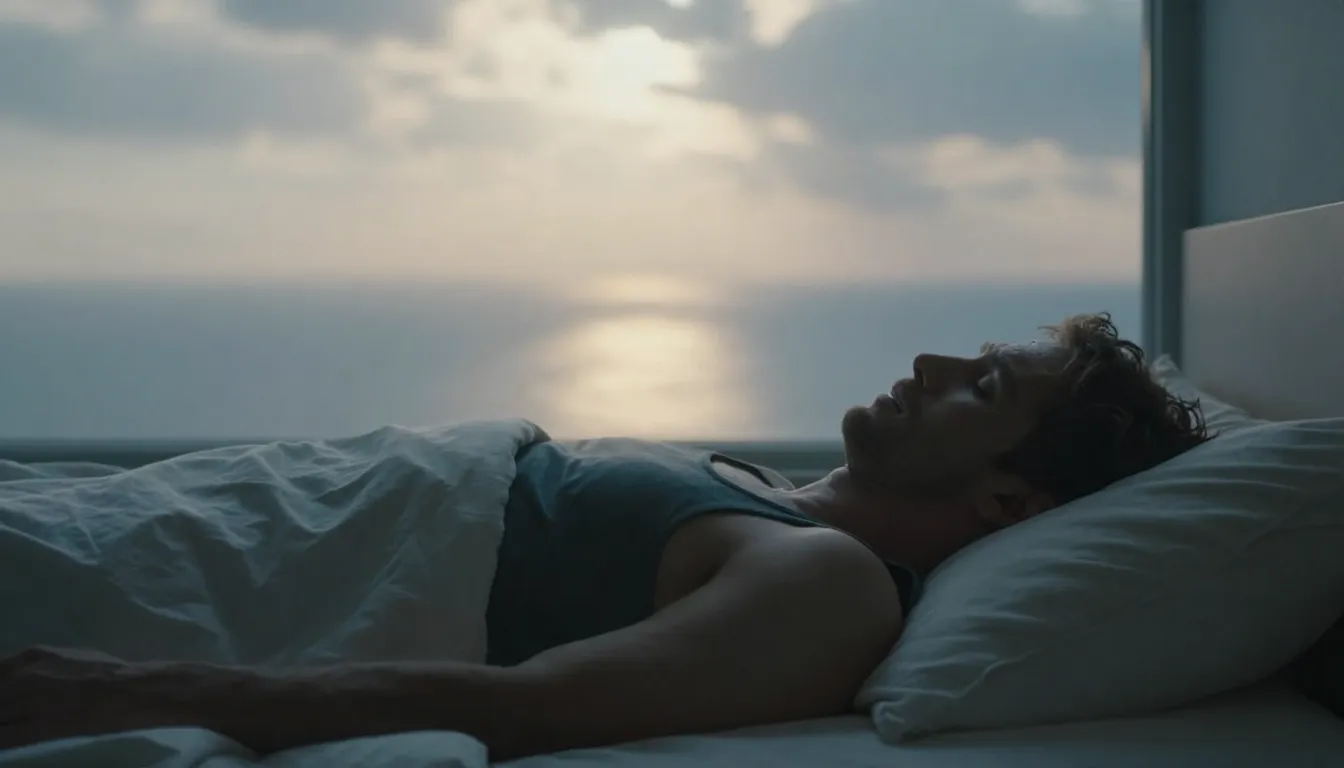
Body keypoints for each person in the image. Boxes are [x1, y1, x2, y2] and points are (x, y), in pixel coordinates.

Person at [0, 313, 1208, 758]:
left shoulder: (827, 583)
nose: (931, 361)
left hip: (206, 571)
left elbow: (530, 707)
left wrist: (139, 690)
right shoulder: (771, 494)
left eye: (982, 387)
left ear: (1008, 505)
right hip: (214, 506)